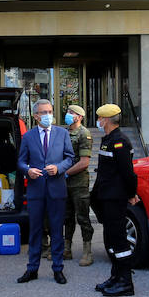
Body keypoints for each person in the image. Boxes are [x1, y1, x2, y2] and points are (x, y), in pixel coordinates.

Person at [16, 99, 77, 284]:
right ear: (36, 116)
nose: (48, 115)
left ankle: (58, 268)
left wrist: (59, 168)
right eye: (44, 112)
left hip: (56, 189)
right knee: (35, 231)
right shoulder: (28, 137)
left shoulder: (62, 134)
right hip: (36, 191)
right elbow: (20, 161)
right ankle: (32, 269)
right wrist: (28, 170)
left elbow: (70, 158)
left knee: (57, 230)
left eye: (50, 111)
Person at [89, 103, 139, 297]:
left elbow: (128, 173)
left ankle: (126, 283)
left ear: (107, 120)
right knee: (111, 239)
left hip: (115, 198)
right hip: (106, 197)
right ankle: (116, 277)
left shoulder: (120, 142)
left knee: (119, 241)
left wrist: (131, 193)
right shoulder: (108, 139)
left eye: (100, 118)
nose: (99, 121)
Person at [63, 104, 95, 266]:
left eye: (71, 113)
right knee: (67, 216)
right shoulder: (65, 132)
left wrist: (65, 173)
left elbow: (84, 163)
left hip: (79, 183)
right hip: (65, 183)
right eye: (68, 112)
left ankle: (87, 251)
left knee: (82, 217)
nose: (68, 114)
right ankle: (66, 248)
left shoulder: (84, 134)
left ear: (80, 116)